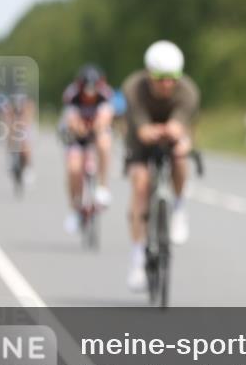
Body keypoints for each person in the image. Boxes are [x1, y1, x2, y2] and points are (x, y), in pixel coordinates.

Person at [122, 40, 200, 291]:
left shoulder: (188, 90)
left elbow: (180, 125)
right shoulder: (133, 88)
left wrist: (176, 135)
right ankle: (137, 261)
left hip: (173, 135)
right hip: (140, 140)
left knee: (179, 157)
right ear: (148, 75)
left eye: (172, 78)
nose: (167, 84)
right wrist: (151, 131)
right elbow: (142, 130)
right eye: (160, 78)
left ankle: (178, 207)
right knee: (141, 184)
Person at [60, 65, 114, 233]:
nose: (90, 93)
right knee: (73, 169)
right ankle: (74, 208)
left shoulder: (105, 93)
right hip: (75, 135)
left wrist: (97, 127)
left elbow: (106, 116)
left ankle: (102, 186)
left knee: (104, 143)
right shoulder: (72, 94)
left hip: (96, 131)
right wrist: (79, 128)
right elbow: (71, 119)